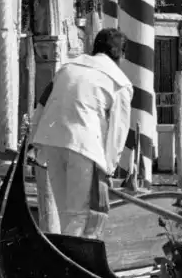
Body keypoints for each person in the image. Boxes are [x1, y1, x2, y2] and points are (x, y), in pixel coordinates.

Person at [28, 26, 136, 239]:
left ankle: (66, 258)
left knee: (64, 212)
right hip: (84, 146)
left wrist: (33, 144)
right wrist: (109, 168)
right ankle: (70, 264)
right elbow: (118, 131)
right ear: (120, 55)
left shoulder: (67, 68)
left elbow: (42, 104)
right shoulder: (120, 83)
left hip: (51, 142)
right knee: (80, 214)